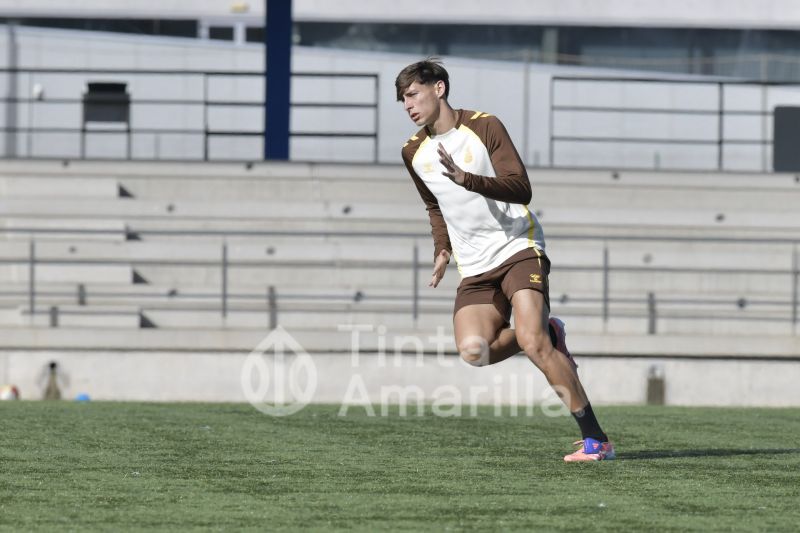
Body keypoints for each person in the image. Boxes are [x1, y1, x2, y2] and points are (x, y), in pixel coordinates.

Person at [396, 59, 614, 462]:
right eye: (402, 100)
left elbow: (521, 187)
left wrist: (468, 179)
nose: (407, 105)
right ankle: (549, 330)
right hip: (474, 265)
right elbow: (434, 205)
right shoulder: (413, 151)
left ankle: (596, 440)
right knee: (475, 351)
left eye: (412, 94)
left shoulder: (484, 126)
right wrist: (442, 248)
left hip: (517, 247)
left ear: (438, 88)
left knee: (533, 345)